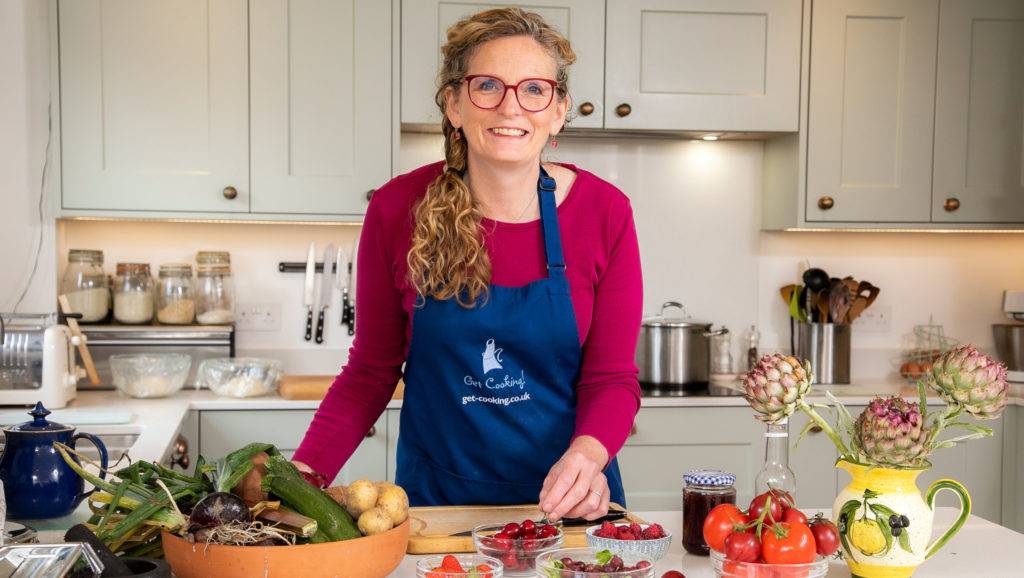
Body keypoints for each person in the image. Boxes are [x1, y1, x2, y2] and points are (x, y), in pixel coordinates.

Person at [294, 7, 642, 522]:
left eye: (533, 89)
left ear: (559, 109)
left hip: (570, 504)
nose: (511, 107)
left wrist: (588, 456)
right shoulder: (397, 208)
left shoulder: (604, 212)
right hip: (438, 507)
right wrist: (298, 480)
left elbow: (611, 378)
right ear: (455, 103)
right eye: (488, 86)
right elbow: (371, 371)